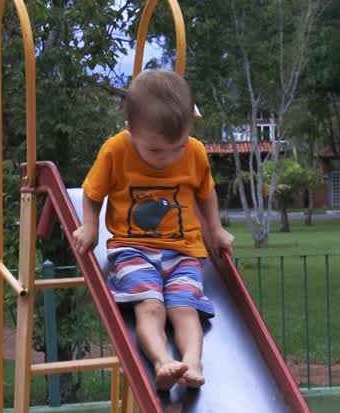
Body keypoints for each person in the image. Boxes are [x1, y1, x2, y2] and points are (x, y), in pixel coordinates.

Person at [71, 69, 234, 391]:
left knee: (185, 309)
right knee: (150, 307)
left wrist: (215, 231)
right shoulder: (116, 151)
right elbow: (93, 193)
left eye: (178, 147)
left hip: (184, 252)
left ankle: (192, 363)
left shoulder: (195, 152)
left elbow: (206, 194)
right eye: (156, 151)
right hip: (132, 249)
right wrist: (90, 225)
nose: (169, 158)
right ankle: (162, 362)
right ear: (131, 130)